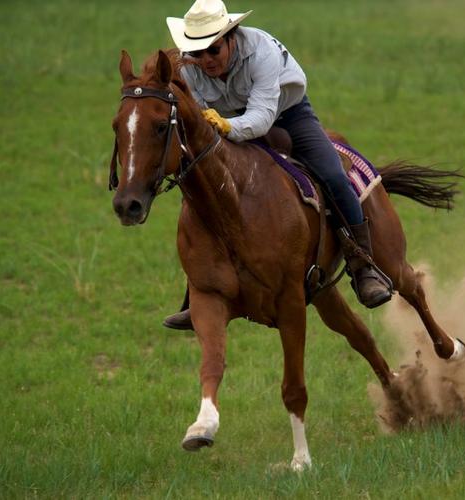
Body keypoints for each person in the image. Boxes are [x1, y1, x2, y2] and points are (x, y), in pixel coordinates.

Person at [162, 0, 391, 330]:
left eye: (213, 50)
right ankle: (195, 291)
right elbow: (195, 117)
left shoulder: (261, 51)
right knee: (202, 192)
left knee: (332, 175)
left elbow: (262, 117)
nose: (206, 61)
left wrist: (227, 127)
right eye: (196, 54)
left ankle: (363, 266)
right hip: (223, 124)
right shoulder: (188, 70)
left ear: (231, 38)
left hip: (286, 115)